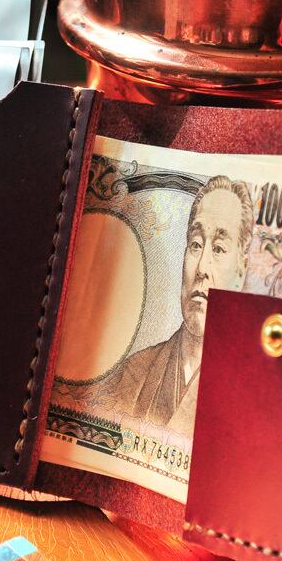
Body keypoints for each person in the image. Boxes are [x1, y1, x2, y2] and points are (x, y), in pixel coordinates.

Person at [96, 175, 253, 436]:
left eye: (218, 249)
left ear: (241, 269)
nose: (202, 268)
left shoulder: (251, 395)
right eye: (196, 245)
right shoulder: (131, 376)